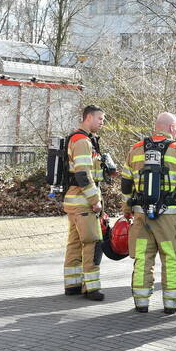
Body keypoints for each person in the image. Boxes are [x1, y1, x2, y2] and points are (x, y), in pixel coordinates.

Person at [121, 112, 176, 314]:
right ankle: (171, 303)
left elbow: (126, 185)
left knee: (142, 258)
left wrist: (127, 209)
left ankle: (141, 302)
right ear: (172, 128)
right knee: (171, 258)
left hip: (141, 215)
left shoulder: (135, 150)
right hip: (169, 217)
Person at [62, 105, 107, 300]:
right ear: (88, 117)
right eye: (100, 118)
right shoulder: (82, 141)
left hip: (74, 203)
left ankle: (72, 285)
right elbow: (82, 174)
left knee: (74, 243)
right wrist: (95, 200)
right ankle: (91, 288)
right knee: (92, 243)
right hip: (83, 203)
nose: (102, 122)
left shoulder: (82, 139)